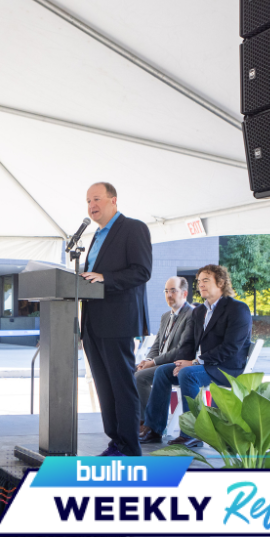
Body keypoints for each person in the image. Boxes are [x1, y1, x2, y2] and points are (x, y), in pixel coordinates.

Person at [79, 182, 153, 456]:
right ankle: (115, 441)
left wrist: (105, 278)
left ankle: (130, 447)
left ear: (113, 201)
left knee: (121, 385)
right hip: (93, 322)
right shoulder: (95, 236)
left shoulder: (133, 228)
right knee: (104, 386)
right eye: (87, 201)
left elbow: (141, 271)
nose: (91, 205)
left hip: (118, 320)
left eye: (96, 199)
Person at [143, 265, 252, 448]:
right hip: (203, 365)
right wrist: (180, 362)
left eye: (206, 280)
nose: (200, 284)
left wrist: (193, 362)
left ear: (221, 283)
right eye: (199, 281)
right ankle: (154, 429)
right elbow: (189, 344)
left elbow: (231, 347)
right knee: (162, 371)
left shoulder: (238, 309)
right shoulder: (200, 311)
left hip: (226, 367)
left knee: (189, 374)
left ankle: (193, 433)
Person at [135, 276, 196, 444]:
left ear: (184, 293)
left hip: (177, 364)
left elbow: (180, 350)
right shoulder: (165, 316)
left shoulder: (191, 315)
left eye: (173, 291)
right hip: (161, 362)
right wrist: (147, 359)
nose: (169, 295)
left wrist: (153, 363)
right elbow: (157, 344)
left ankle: (147, 425)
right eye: (166, 291)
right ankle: (134, 421)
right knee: (131, 370)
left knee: (140, 377)